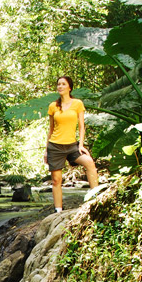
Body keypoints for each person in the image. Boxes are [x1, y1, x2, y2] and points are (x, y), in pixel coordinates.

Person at [44, 76, 98, 212]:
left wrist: (81, 145)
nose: (60, 86)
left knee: (89, 162)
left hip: (72, 145)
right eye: (58, 84)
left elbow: (81, 126)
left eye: (63, 84)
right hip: (55, 146)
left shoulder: (77, 104)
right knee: (56, 181)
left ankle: (95, 199)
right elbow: (51, 129)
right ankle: (58, 211)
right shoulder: (53, 106)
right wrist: (46, 151)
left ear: (70, 87)